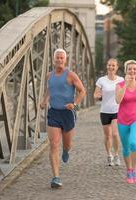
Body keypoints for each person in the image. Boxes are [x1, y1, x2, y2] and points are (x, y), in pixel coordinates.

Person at [40, 48, 86, 188]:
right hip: (54, 112)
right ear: (54, 59)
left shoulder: (71, 75)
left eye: (61, 58)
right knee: (53, 143)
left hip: (67, 114)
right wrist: (44, 100)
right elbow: (50, 89)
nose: (59, 60)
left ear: (65, 60)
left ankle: (66, 150)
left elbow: (82, 91)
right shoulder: (49, 75)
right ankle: (56, 177)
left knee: (67, 144)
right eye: (57, 57)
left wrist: (74, 103)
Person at [94, 58, 124, 166]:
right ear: (107, 66)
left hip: (117, 110)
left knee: (115, 134)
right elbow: (96, 93)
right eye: (109, 65)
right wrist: (98, 96)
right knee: (107, 135)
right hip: (105, 111)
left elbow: (125, 93)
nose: (111, 67)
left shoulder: (121, 80)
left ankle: (116, 155)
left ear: (117, 68)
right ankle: (109, 154)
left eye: (113, 66)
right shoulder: (101, 80)